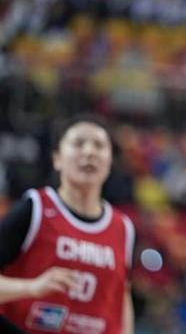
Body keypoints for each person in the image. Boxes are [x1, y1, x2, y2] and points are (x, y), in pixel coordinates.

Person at [0, 114, 135, 334]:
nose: (89, 152)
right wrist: (32, 287)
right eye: (78, 143)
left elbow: (122, 297)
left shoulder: (123, 227)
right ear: (57, 159)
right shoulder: (35, 209)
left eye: (99, 145)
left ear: (110, 162)